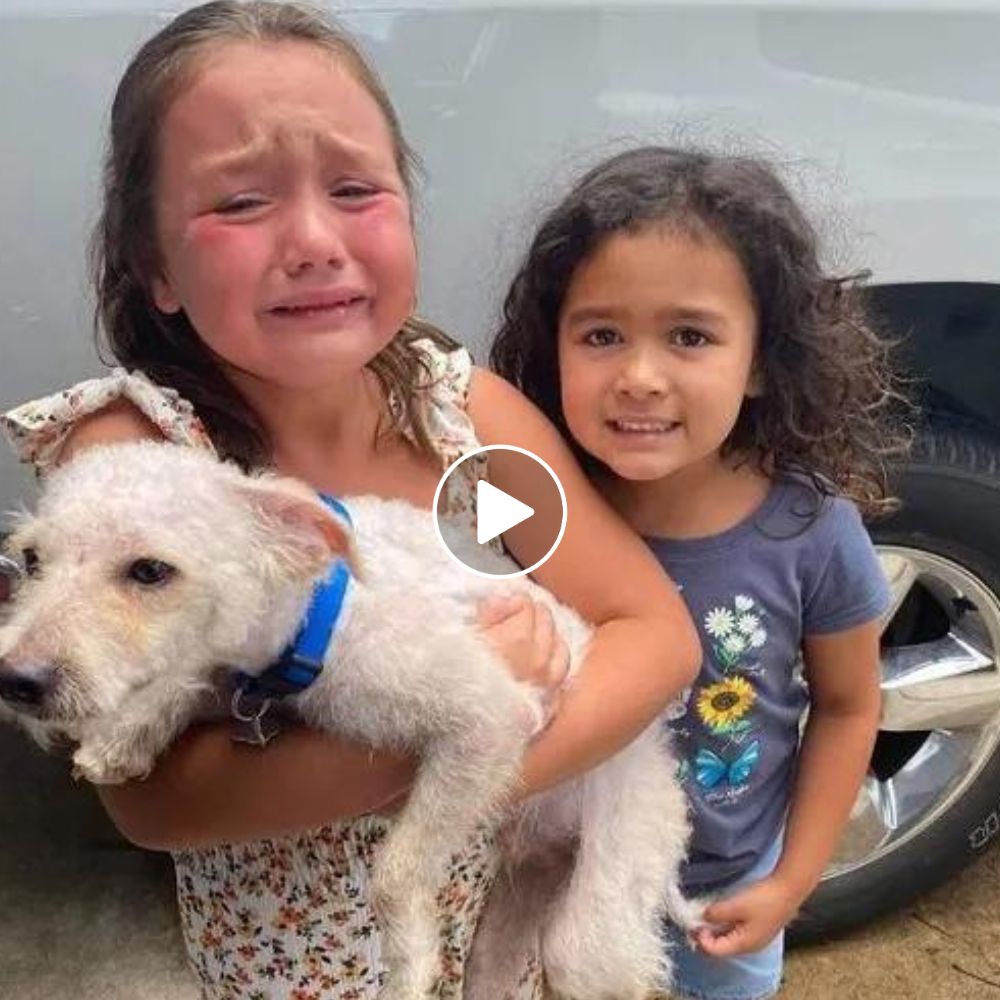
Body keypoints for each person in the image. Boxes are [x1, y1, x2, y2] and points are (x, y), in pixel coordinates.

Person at [0, 8, 701, 999]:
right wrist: (457, 724)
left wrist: (484, 737)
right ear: (154, 264)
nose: (314, 240)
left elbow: (653, 633)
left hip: (467, 924)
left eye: (356, 189)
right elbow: (153, 803)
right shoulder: (149, 463)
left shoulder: (465, 431)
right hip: (287, 963)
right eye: (241, 201)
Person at [490, 145, 910, 1000]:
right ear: (553, 344)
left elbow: (848, 703)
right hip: (547, 887)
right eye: (602, 335)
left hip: (718, 903)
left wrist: (792, 882)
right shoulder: (527, 510)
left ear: (760, 359)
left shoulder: (812, 532)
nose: (640, 377)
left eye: (690, 336)